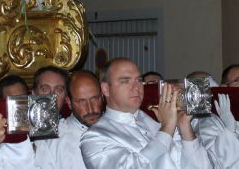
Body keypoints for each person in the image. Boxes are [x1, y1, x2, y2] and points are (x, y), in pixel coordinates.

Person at [80, 58, 211, 168]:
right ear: (105, 89)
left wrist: (183, 126)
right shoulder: (94, 138)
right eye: (125, 81)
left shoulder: (155, 119)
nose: (136, 87)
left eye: (138, 80)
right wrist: (167, 128)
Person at [35, 70, 103, 169]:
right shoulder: (52, 142)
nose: (90, 109)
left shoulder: (119, 129)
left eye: (95, 98)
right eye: (81, 101)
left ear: (102, 96)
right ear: (69, 102)